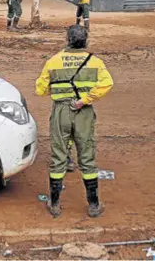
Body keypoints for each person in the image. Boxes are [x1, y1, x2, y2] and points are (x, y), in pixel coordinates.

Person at [35, 25, 114, 218]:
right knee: (87, 158)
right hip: (83, 112)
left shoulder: (53, 61)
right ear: (85, 40)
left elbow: (41, 89)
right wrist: (84, 100)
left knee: (58, 157)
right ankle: (93, 205)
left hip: (61, 111)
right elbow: (107, 83)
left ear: (67, 39)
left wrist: (60, 92)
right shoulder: (95, 62)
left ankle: (54, 205)